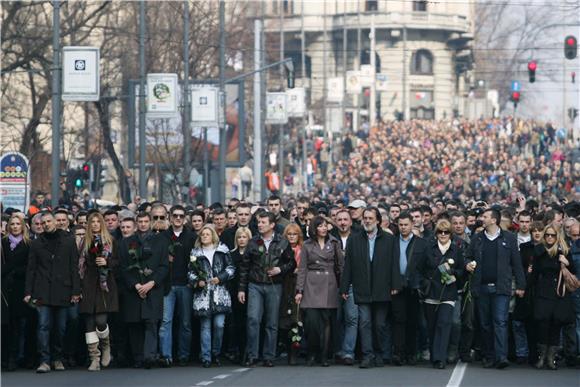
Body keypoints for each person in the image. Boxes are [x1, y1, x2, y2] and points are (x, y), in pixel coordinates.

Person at [339, 207, 401, 369]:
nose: (367, 221)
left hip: (382, 287)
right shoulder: (354, 239)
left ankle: (380, 353)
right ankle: (368, 355)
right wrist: (344, 288)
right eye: (365, 218)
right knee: (364, 323)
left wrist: (395, 284)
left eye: (370, 218)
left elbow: (395, 264)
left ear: (378, 220)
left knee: (380, 324)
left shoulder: (389, 239)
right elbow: (348, 266)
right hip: (362, 287)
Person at [466, 208, 526, 369]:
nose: (481, 219)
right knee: (485, 324)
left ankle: (501, 357)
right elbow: (468, 256)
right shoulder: (477, 238)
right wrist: (468, 264)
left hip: (501, 288)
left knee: (500, 321)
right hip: (482, 287)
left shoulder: (510, 238)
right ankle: (489, 355)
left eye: (485, 217)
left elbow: (516, 263)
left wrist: (521, 285)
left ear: (494, 220)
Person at [24, 211, 81, 373]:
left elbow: (74, 268)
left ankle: (57, 358)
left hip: (63, 290)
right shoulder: (36, 244)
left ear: (55, 222)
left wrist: (76, 291)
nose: (46, 224)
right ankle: (44, 360)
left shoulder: (69, 241)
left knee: (61, 327)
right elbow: (31, 269)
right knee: (43, 326)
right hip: (42, 291)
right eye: (43, 223)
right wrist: (28, 292)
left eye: (49, 221)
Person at [237, 211, 296, 367]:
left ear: (272, 225)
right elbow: (244, 267)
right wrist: (241, 289)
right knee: (253, 319)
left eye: (263, 222)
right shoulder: (253, 242)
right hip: (255, 284)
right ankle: (252, 355)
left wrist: (280, 270)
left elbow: (292, 264)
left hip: (274, 285)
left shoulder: (282, 242)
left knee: (272, 322)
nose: (259, 225)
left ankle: (269, 356)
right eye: (258, 222)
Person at [118, 211, 169, 369]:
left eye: (146, 221)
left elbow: (164, 266)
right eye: (140, 221)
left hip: (153, 288)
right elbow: (123, 267)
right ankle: (138, 358)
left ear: (151, 222)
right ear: (136, 223)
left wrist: (152, 283)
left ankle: (149, 357)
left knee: (151, 323)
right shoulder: (126, 242)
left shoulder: (160, 241)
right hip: (134, 289)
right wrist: (135, 285)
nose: (143, 224)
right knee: (135, 324)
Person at [295, 216, 343, 367]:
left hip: (329, 283)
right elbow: (302, 269)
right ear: (314, 228)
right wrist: (299, 290)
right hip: (311, 283)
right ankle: (311, 352)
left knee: (327, 321)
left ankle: (323, 355)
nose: (323, 228)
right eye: (320, 226)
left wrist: (342, 286)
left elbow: (340, 266)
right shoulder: (307, 245)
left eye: (325, 226)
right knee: (311, 322)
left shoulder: (334, 242)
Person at [418, 219, 464, 369]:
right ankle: (434, 354)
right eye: (440, 232)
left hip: (448, 293)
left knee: (444, 324)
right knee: (431, 327)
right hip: (431, 293)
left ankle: (440, 358)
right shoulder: (428, 248)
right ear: (436, 233)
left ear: (450, 234)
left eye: (446, 232)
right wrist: (424, 283)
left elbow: (462, 271)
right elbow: (419, 268)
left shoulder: (456, 250)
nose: (443, 234)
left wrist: (453, 272)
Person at [188, 225, 235, 368]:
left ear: (213, 235)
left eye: (207, 234)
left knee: (219, 325)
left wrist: (220, 278)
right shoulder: (195, 252)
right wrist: (197, 281)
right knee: (205, 327)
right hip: (203, 295)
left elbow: (231, 268)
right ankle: (206, 357)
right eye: (202, 234)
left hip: (220, 294)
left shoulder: (223, 250)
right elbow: (190, 272)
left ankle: (216, 353)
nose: (204, 236)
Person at [78, 212, 119, 371]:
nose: (95, 224)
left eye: (97, 221)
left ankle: (106, 346)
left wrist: (107, 261)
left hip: (105, 285)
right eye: (92, 222)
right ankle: (94, 358)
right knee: (89, 321)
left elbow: (118, 262)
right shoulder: (84, 242)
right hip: (87, 283)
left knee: (101, 320)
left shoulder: (111, 241)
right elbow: (79, 265)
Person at [531, 225, 576, 370]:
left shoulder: (564, 251)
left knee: (557, 323)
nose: (550, 238)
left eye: (552, 235)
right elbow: (535, 274)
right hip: (543, 291)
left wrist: (566, 264)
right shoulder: (539, 251)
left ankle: (551, 358)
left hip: (560, 292)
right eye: (547, 235)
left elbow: (573, 272)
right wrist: (524, 288)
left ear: (558, 237)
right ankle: (542, 356)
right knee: (542, 323)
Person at [159, 205, 196, 367]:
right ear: (170, 217)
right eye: (175, 215)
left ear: (185, 218)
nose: (178, 218)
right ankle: (166, 355)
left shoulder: (192, 237)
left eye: (181, 216)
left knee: (186, 322)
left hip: (186, 284)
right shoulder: (162, 237)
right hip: (167, 285)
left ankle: (183, 355)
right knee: (166, 321)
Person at [391, 211, 428, 366]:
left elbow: (426, 267)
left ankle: (411, 353)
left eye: (406, 225)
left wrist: (421, 284)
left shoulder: (421, 243)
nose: (403, 227)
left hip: (414, 287)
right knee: (398, 320)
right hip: (397, 286)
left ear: (412, 224)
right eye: (401, 225)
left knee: (413, 322)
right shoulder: (392, 242)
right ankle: (399, 353)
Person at [1, 214, 33, 371]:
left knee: (19, 325)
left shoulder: (28, 244)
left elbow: (31, 267)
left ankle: (15, 357)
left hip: (21, 288)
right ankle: (5, 357)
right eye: (12, 224)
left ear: (22, 226)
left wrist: (15, 271)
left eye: (17, 224)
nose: (14, 226)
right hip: (5, 289)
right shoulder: (3, 243)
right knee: (6, 326)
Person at [332, 209, 358, 366]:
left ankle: (348, 352)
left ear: (350, 222)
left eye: (345, 219)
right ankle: (338, 351)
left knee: (352, 318)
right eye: (339, 219)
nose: (342, 222)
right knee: (336, 319)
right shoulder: (331, 238)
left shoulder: (358, 238)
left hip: (352, 284)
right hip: (333, 284)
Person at [225, 227, 252, 363]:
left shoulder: (252, 254)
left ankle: (248, 352)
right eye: (239, 237)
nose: (242, 239)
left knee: (249, 322)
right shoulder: (230, 254)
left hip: (250, 291)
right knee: (236, 323)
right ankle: (238, 352)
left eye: (244, 237)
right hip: (234, 291)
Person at [281, 223, 304, 365]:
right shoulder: (282, 249)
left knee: (297, 317)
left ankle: (295, 352)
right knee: (285, 319)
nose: (291, 237)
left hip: (299, 284)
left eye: (294, 234)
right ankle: (287, 349)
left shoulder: (303, 249)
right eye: (289, 234)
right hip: (285, 285)